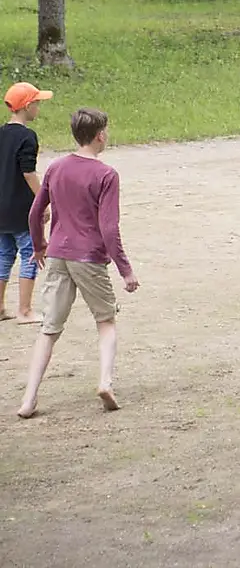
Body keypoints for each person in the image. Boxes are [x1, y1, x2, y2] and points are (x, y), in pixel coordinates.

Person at [18, 107, 138, 418]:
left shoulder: (56, 167)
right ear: (100, 136)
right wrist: (125, 270)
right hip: (89, 257)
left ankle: (29, 399)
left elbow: (35, 213)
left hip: (58, 254)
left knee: (49, 328)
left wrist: (39, 245)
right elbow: (109, 228)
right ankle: (105, 382)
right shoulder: (106, 175)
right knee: (105, 321)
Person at [0, 82, 50, 324]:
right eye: (37, 103)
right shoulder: (27, 136)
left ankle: (0, 308)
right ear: (28, 106)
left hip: (1, 208)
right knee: (31, 253)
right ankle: (25, 310)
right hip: (21, 209)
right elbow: (28, 172)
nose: (39, 108)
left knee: (3, 255)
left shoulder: (1, 133)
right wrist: (43, 200)